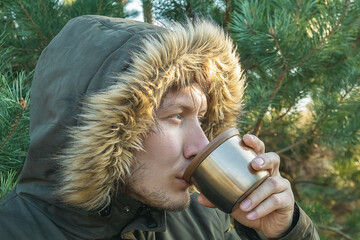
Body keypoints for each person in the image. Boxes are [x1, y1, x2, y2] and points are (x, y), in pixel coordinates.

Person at [0, 15, 319, 239]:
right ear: (106, 131)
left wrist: (284, 232)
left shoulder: (205, 221)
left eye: (202, 117)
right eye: (176, 116)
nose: (201, 144)